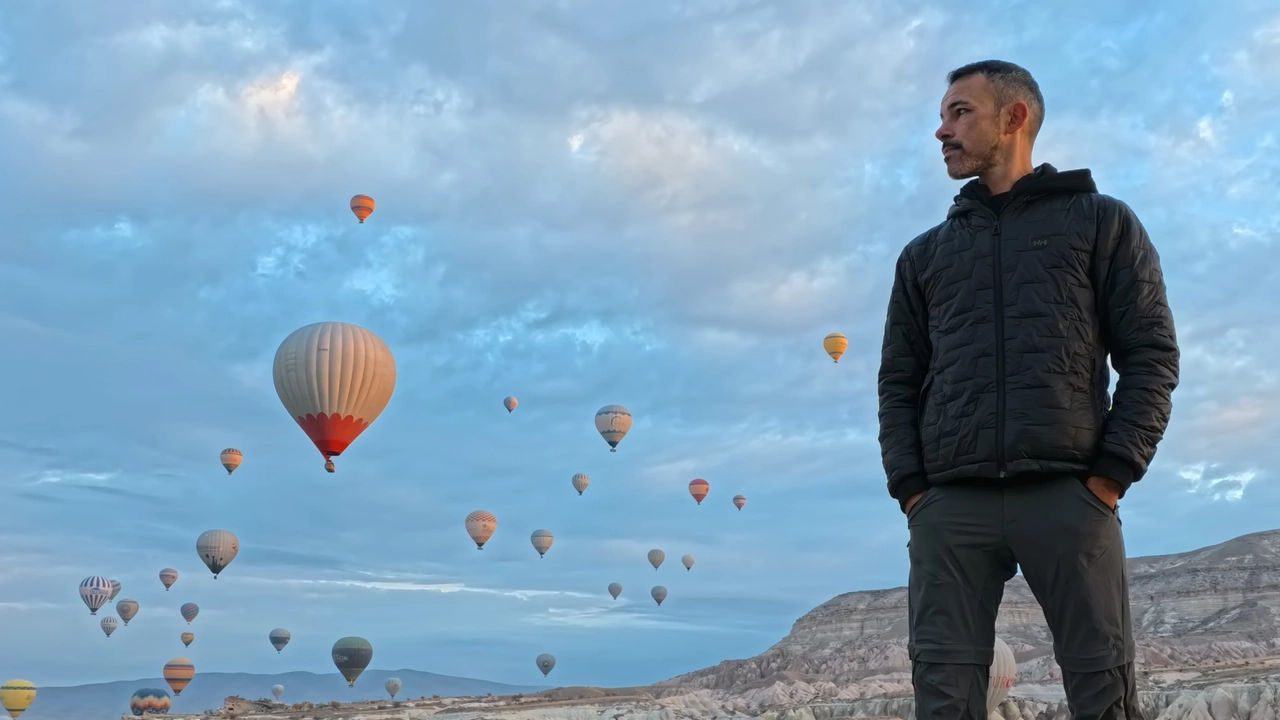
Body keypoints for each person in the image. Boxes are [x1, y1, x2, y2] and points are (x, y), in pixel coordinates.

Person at [877, 60, 1180, 720]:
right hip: (950, 506)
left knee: (1105, 693)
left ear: (1014, 119)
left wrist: (1111, 474)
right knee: (944, 698)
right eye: (942, 114)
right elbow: (898, 381)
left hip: (1069, 497)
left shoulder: (1102, 223)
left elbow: (1152, 354)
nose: (941, 130)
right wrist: (913, 492)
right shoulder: (923, 256)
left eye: (961, 112)